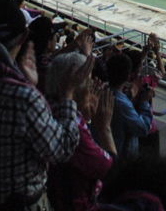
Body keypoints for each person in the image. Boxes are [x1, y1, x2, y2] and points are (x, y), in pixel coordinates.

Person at [0, 0, 89, 211]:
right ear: (23, 37)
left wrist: (27, 84)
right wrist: (67, 93)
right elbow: (62, 149)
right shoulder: (23, 98)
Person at [47, 51, 115, 211]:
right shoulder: (75, 129)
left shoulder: (48, 106)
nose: (91, 86)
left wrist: (86, 118)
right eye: (88, 80)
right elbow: (110, 169)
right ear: (75, 86)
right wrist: (104, 128)